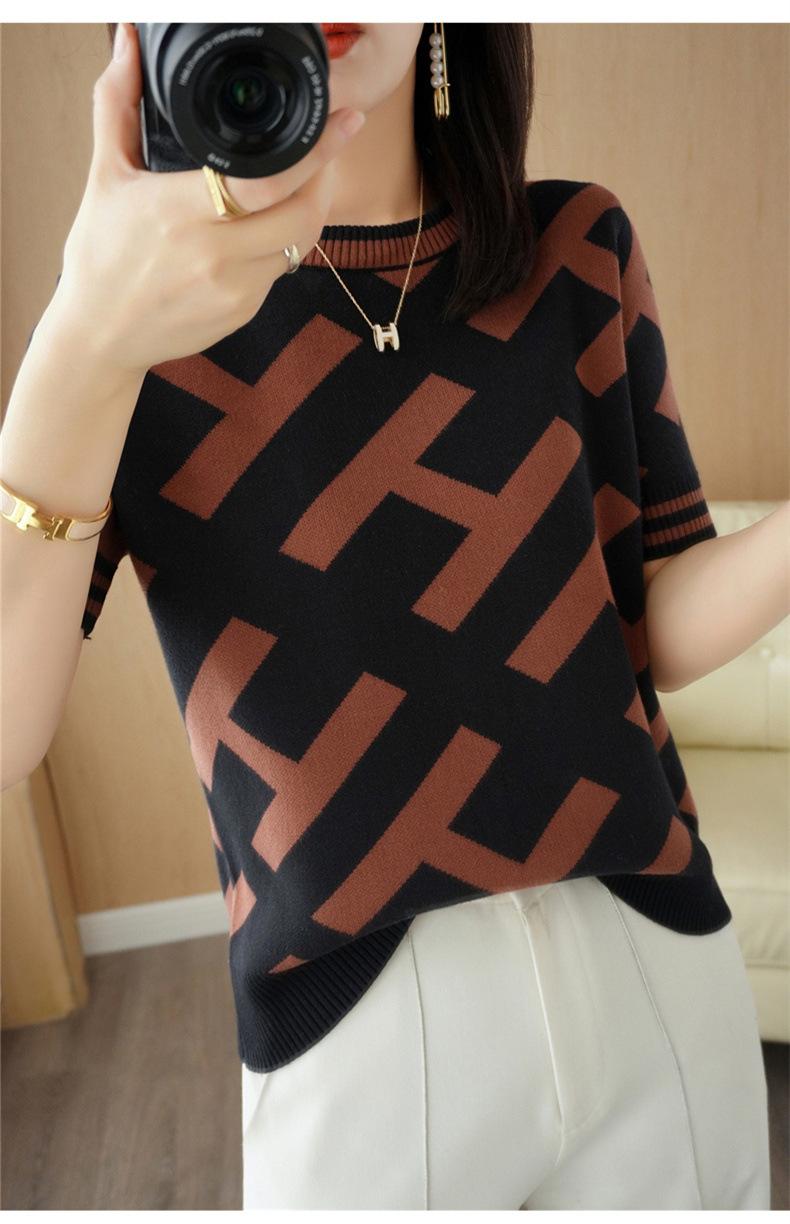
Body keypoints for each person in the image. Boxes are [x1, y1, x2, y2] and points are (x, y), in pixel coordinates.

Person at [2, 20, 786, 1211]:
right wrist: (81, 344)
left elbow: (653, 631)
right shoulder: (139, 332)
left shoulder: (578, 248)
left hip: (651, 950)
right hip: (356, 1026)